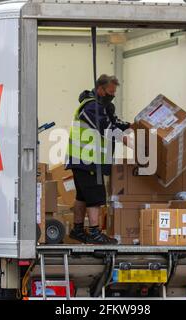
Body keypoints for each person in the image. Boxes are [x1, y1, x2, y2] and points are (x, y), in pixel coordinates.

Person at [66, 75, 131, 244]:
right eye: (110, 92)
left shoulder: (101, 106)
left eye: (114, 92)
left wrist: (132, 125)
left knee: (82, 196)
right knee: (95, 197)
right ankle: (94, 232)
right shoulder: (91, 107)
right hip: (87, 160)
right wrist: (128, 142)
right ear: (100, 90)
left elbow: (115, 122)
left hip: (84, 160)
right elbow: (107, 128)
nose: (112, 95)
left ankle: (78, 230)